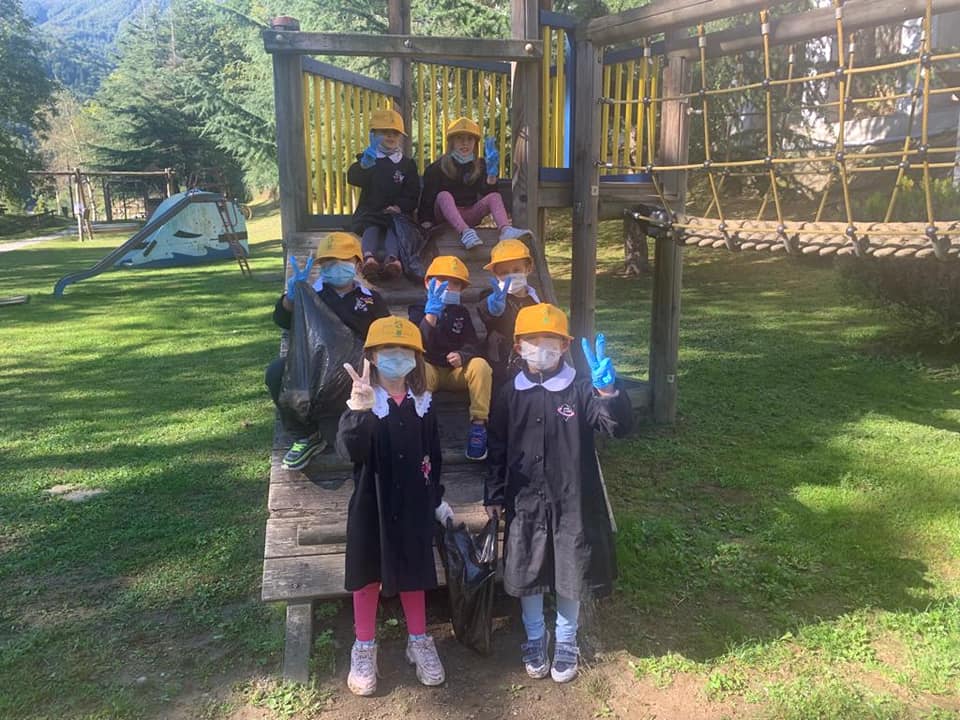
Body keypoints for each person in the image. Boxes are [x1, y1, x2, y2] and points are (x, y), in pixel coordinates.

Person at [485, 304, 633, 683]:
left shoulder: (580, 389)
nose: (542, 348)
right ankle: (536, 636)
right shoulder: (508, 394)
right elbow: (497, 446)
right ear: (519, 347)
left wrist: (608, 391)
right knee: (527, 566)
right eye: (533, 341)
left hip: (572, 499)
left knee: (572, 566)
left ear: (565, 346)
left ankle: (567, 639)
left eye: (551, 341)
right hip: (524, 499)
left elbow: (616, 428)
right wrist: (495, 495)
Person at [336, 316, 455, 696]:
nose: (397, 358)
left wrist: (436, 497)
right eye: (388, 351)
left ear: (417, 359)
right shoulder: (363, 400)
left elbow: (432, 455)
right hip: (373, 505)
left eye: (405, 351)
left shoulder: (423, 403)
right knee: (367, 574)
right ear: (371, 356)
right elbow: (349, 451)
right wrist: (358, 413)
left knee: (415, 570)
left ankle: (418, 640)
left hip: (414, 504)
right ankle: (364, 646)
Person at [265, 232, 390, 470]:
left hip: (353, 374)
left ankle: (354, 427)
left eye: (343, 261)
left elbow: (385, 334)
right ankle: (306, 435)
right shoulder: (313, 294)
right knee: (276, 371)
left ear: (357, 264)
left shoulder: (372, 299)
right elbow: (282, 319)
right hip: (314, 367)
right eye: (329, 262)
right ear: (321, 266)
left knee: (349, 443)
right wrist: (292, 297)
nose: (336, 267)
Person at [408, 255, 493, 461]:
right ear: (428, 282)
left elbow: (472, 343)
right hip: (431, 369)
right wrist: (430, 316)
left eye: (455, 283)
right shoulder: (417, 309)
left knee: (481, 366)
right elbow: (417, 344)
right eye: (442, 280)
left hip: (456, 372)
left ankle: (479, 426)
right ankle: (420, 424)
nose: (449, 287)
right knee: (417, 367)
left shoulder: (461, 312)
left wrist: (463, 355)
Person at [419, 116, 530, 250]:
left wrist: (491, 175)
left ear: (475, 143)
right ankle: (465, 233)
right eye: (460, 138)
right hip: (445, 216)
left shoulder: (480, 165)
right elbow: (427, 199)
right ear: (451, 142)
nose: (465, 143)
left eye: (469, 139)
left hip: (470, 213)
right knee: (444, 195)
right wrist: (426, 223)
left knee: (495, 197)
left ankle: (505, 230)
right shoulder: (437, 167)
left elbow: (488, 194)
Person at [347, 108, 421, 281]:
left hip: (396, 215)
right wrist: (364, 165)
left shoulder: (406, 164)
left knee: (393, 230)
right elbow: (353, 178)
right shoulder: (369, 159)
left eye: (395, 133)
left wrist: (400, 206)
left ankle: (393, 261)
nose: (390, 136)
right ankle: (369, 259)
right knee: (370, 228)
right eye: (384, 132)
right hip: (370, 212)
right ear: (373, 134)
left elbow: (413, 192)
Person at [477, 238, 541, 390]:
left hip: (529, 361)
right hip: (499, 363)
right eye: (504, 272)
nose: (511, 276)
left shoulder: (536, 301)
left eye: (516, 270)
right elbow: (484, 311)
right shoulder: (493, 296)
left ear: (528, 268)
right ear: (495, 274)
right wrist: (493, 307)